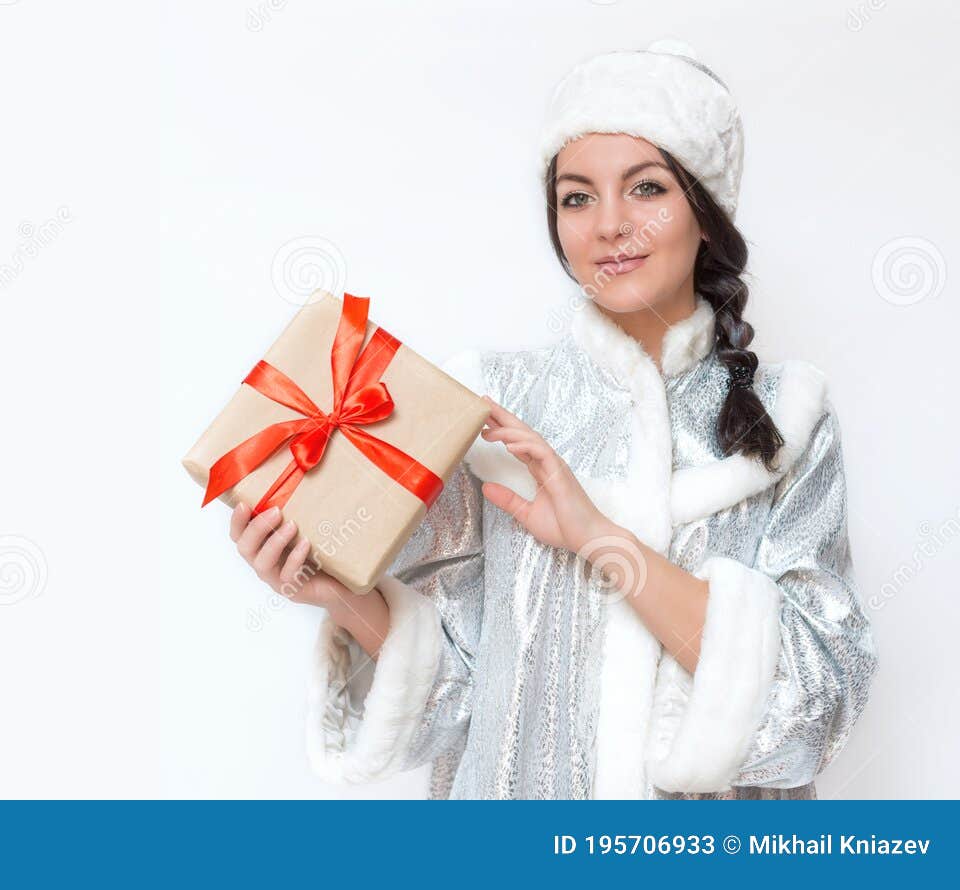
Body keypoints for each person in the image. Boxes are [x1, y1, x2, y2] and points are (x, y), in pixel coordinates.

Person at [226, 39, 877, 799]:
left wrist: (597, 537)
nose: (608, 225)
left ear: (706, 213)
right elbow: (453, 701)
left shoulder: (788, 423)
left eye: (646, 189)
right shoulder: (486, 411)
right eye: (577, 196)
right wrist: (336, 593)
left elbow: (814, 713)